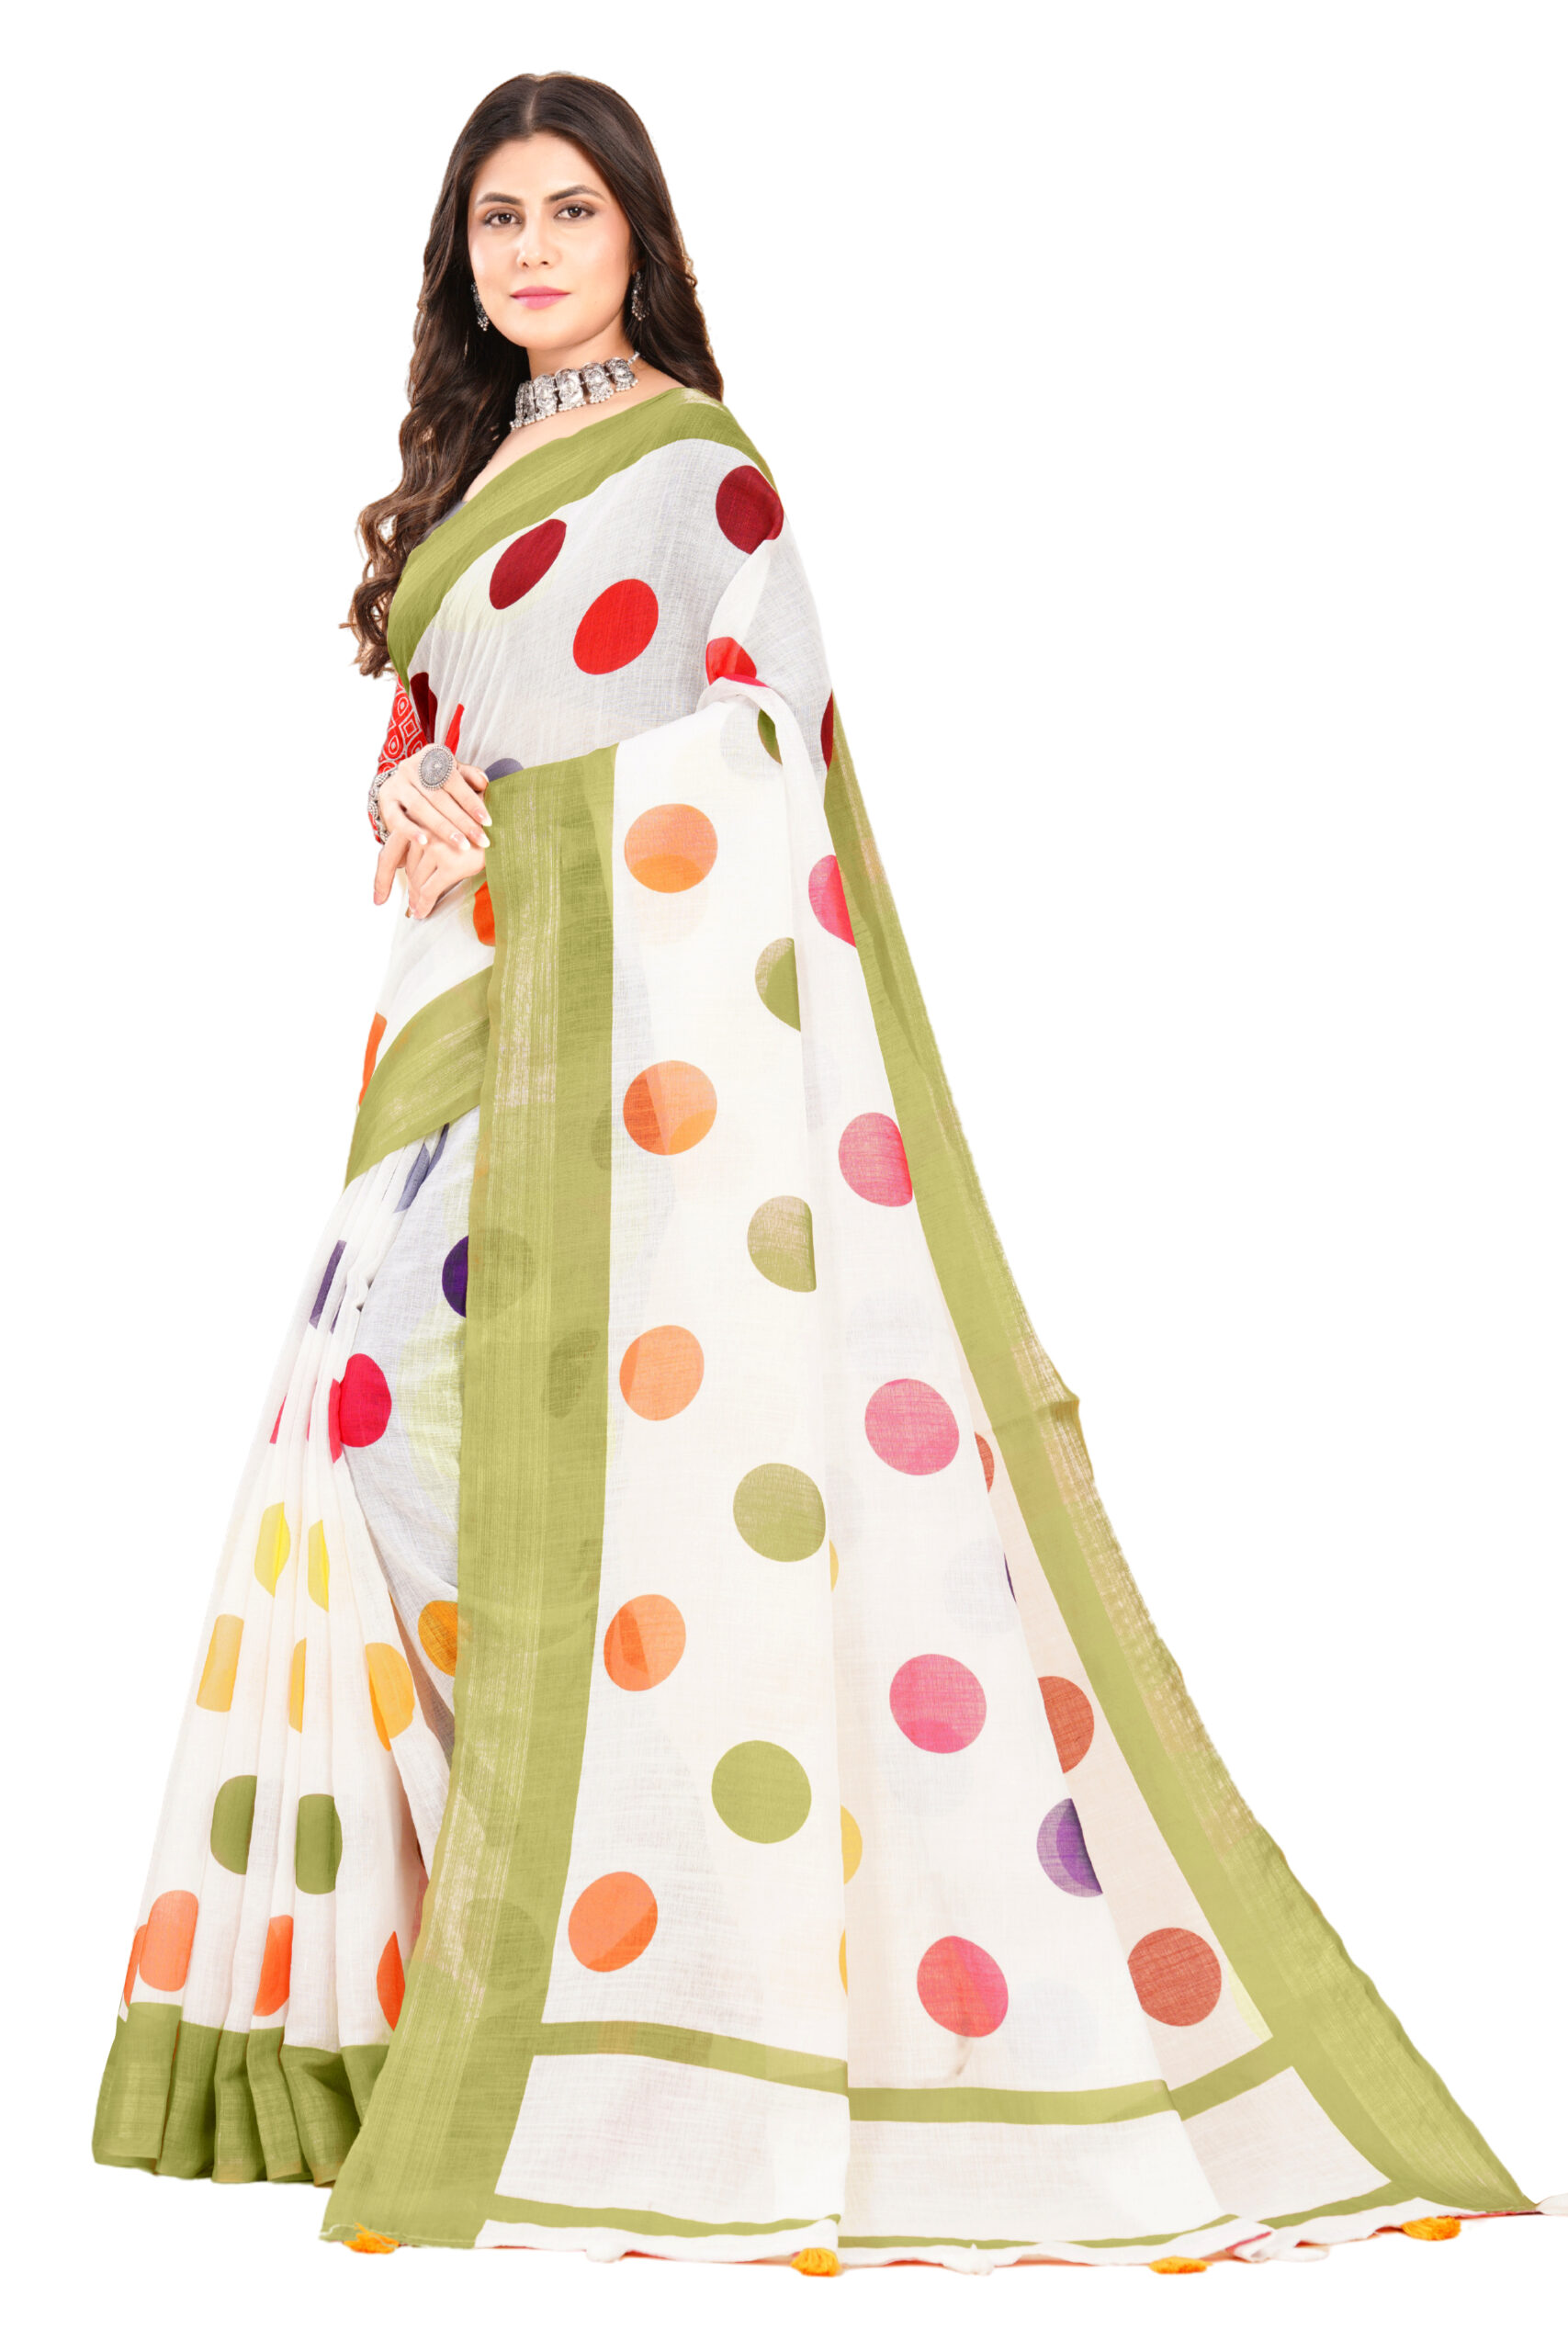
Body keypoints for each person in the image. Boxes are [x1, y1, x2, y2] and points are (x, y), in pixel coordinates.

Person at [90, 70, 1542, 2270]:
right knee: (361, 1439)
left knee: (582, 1467)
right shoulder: (466, 480)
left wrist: (524, 832)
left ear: (637, 236)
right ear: (459, 259)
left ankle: (635, 1961)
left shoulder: (699, 469)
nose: (531, 250)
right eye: (496, 218)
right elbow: (437, 742)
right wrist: (405, 802)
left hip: (638, 1049)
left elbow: (759, 754)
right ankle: (501, 1951)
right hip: (456, 1022)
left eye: (570, 211)